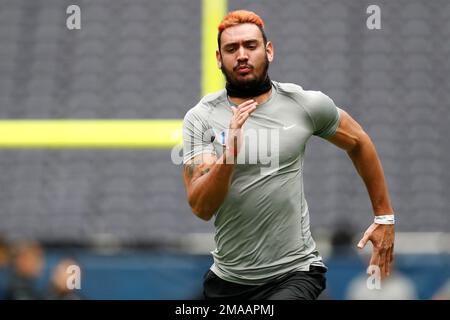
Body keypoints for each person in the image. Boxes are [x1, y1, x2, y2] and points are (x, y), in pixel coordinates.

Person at [182, 10, 395, 300]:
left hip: (295, 273)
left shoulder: (304, 105)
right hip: (228, 279)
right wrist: (229, 152)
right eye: (231, 49)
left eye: (251, 46)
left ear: (268, 51)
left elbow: (358, 142)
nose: (242, 55)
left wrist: (384, 217)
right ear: (219, 59)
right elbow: (202, 207)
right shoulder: (201, 118)